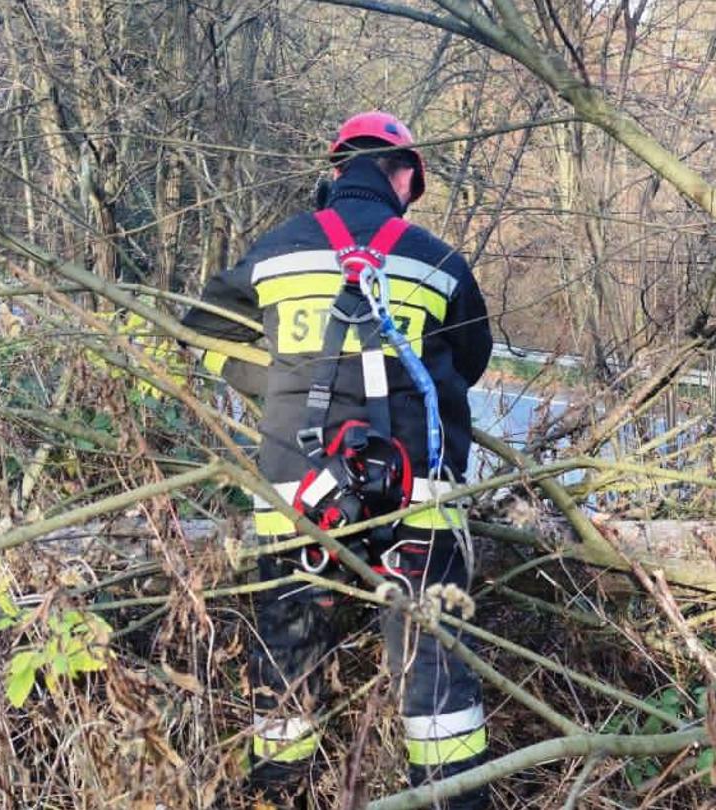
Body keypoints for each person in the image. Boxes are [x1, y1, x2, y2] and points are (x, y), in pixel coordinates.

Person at [183, 111, 493, 807]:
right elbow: (469, 362)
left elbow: (204, 332)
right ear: (406, 174)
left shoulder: (276, 250)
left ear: (335, 173)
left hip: (296, 487)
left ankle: (279, 793)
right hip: (420, 493)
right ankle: (451, 797)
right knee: (433, 668)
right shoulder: (437, 259)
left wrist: (282, 383)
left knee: (288, 660)